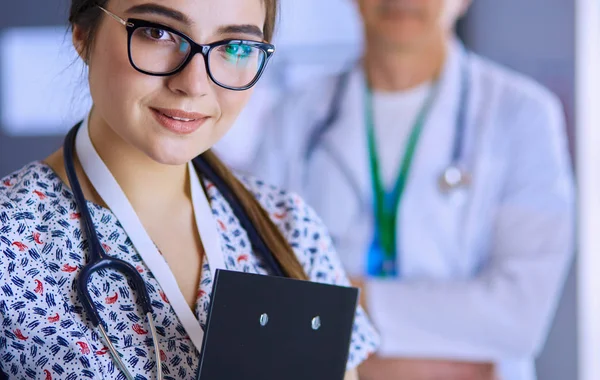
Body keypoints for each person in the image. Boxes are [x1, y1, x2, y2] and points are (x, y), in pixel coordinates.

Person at [0, 0, 380, 379]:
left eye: (235, 47)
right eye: (157, 32)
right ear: (83, 34)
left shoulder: (290, 228)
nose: (193, 84)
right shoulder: (10, 241)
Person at [222, 0, 576, 379]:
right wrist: (437, 351)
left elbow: (519, 315)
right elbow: (259, 289)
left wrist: (338, 303)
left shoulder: (523, 115)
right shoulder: (295, 116)